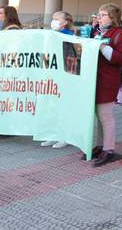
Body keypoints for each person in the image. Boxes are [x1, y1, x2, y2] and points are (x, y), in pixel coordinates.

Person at [90, 4, 122, 166]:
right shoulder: (97, 32)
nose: (99, 18)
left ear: (113, 18)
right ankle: (100, 146)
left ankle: (109, 149)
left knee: (105, 116)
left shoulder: (119, 35)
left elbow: (119, 58)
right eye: (98, 14)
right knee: (99, 117)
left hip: (108, 80)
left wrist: (101, 46)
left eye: (103, 15)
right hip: (96, 79)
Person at [40, 11, 74, 149]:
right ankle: (52, 134)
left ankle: (64, 136)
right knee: (51, 107)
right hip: (51, 75)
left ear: (65, 22)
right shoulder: (50, 34)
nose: (53, 21)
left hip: (63, 77)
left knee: (62, 108)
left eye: (57, 19)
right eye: (52, 18)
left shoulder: (70, 36)